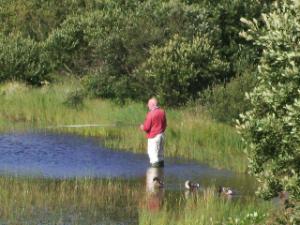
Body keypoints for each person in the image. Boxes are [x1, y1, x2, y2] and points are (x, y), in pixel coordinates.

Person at [140, 97, 167, 167]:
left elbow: (146, 127)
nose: (148, 106)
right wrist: (161, 131)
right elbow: (165, 125)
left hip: (153, 137)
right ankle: (161, 173)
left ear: (153, 104)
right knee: (160, 155)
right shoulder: (162, 111)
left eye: (149, 104)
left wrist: (142, 127)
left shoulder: (150, 114)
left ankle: (154, 173)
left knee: (153, 155)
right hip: (161, 135)